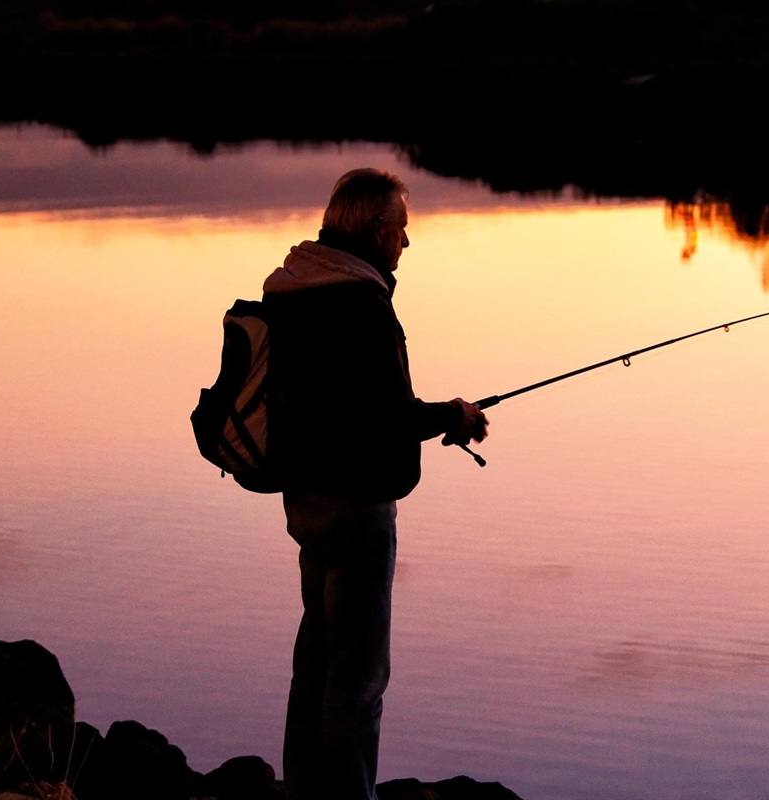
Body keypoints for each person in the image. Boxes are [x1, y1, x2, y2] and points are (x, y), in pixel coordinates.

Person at [261, 168, 488, 800]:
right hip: (357, 506)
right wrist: (454, 415)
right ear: (376, 228)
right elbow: (386, 414)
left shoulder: (294, 288)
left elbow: (346, 405)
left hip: (305, 498)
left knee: (315, 662)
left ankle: (303, 789)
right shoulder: (361, 302)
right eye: (402, 230)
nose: (406, 244)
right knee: (358, 676)